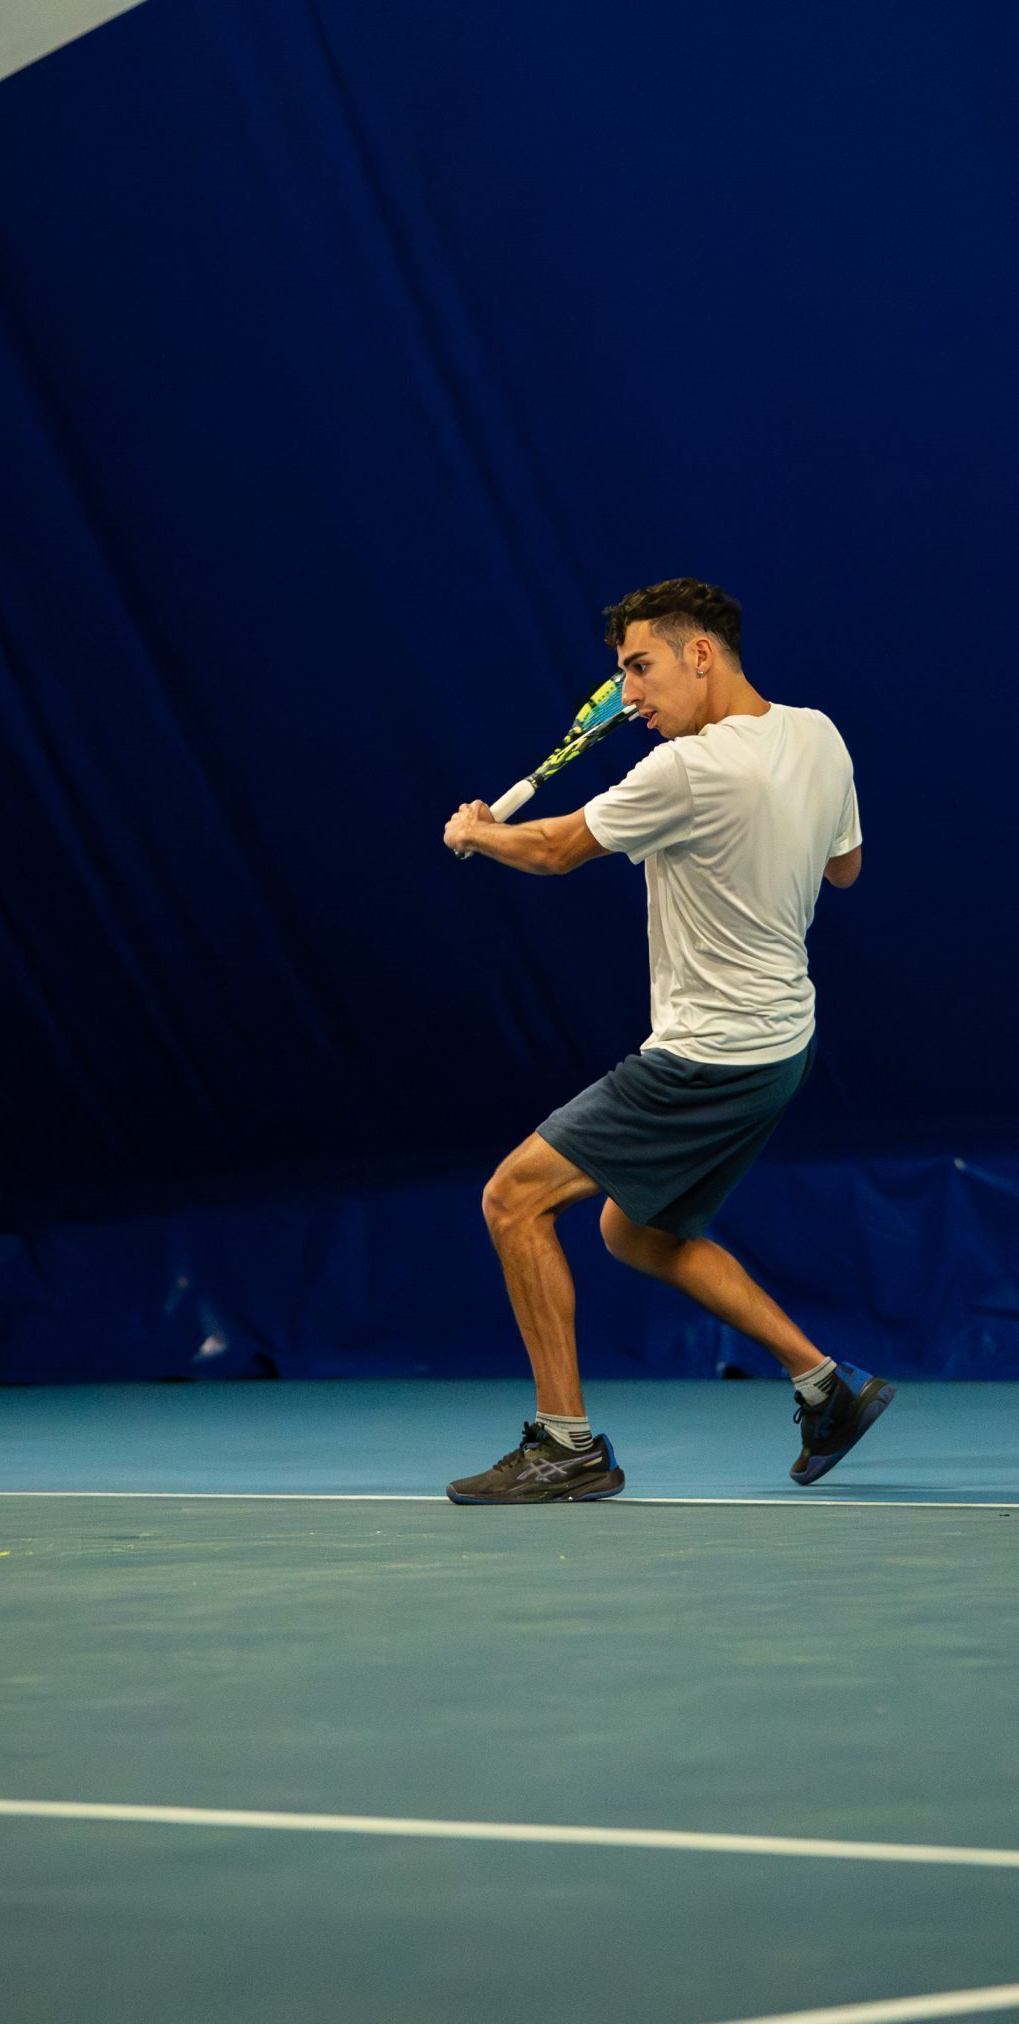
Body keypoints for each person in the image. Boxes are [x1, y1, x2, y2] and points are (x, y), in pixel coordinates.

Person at [440, 578, 892, 1504]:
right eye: (622, 675)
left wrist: (480, 834)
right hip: (783, 1045)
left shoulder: (687, 768)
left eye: (641, 669)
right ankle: (825, 1387)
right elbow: (845, 869)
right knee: (636, 1232)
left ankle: (564, 1446)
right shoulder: (819, 735)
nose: (630, 695)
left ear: (701, 654)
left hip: (705, 1055)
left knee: (513, 1201)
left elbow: (555, 849)